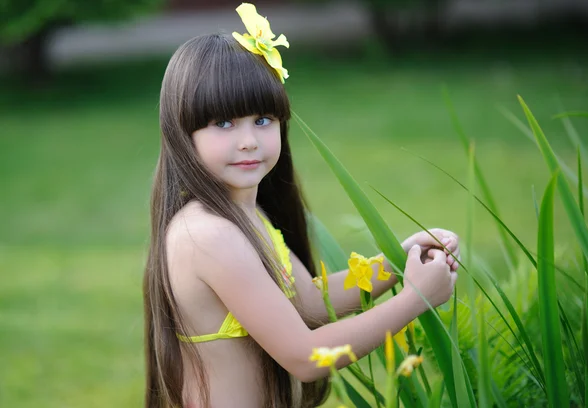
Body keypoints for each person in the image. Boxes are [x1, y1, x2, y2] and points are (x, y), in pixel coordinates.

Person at [143, 3, 460, 408]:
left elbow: (308, 302)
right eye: (224, 123)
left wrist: (397, 262)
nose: (248, 141)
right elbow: (306, 358)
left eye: (262, 120)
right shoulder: (208, 235)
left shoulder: (245, 216)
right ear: (182, 132)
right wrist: (414, 299)